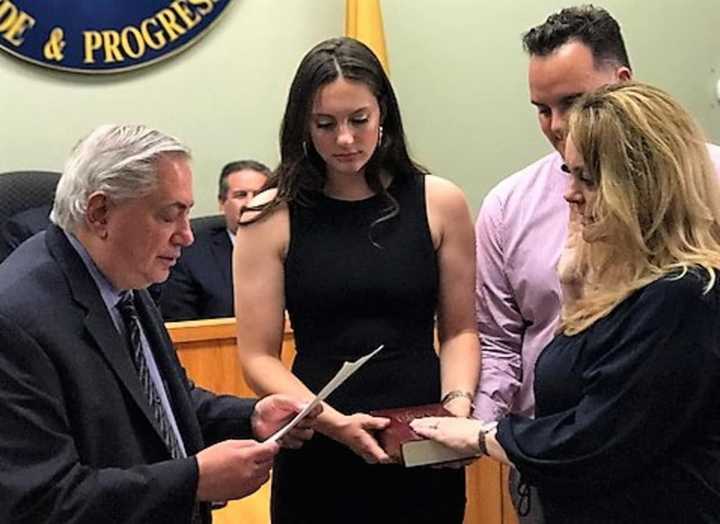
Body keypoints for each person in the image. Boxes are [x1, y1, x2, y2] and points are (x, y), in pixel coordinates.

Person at [413, 81, 720, 523]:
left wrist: (481, 435)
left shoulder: (683, 294)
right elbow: (571, 379)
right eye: (568, 173)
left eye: (588, 178)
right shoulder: (626, 285)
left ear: (642, 186)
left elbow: (596, 438)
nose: (569, 193)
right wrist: (574, 288)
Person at [0, 124, 319, 524]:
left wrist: (250, 417)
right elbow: (42, 502)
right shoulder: (15, 322)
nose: (187, 236)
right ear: (100, 213)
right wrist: (193, 480)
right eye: (171, 216)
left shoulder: (125, 275)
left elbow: (161, 402)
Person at [233, 37, 480, 523]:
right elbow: (257, 356)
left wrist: (458, 410)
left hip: (423, 437)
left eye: (358, 120)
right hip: (320, 436)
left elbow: (460, 331)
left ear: (382, 112)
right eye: (325, 125)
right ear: (303, 124)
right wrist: (334, 423)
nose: (345, 140)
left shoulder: (440, 201)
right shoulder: (268, 213)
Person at [160, 160, 271, 321]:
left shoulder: (294, 247)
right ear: (221, 203)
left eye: (259, 195)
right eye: (240, 195)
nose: (250, 203)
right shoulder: (190, 255)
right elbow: (180, 327)